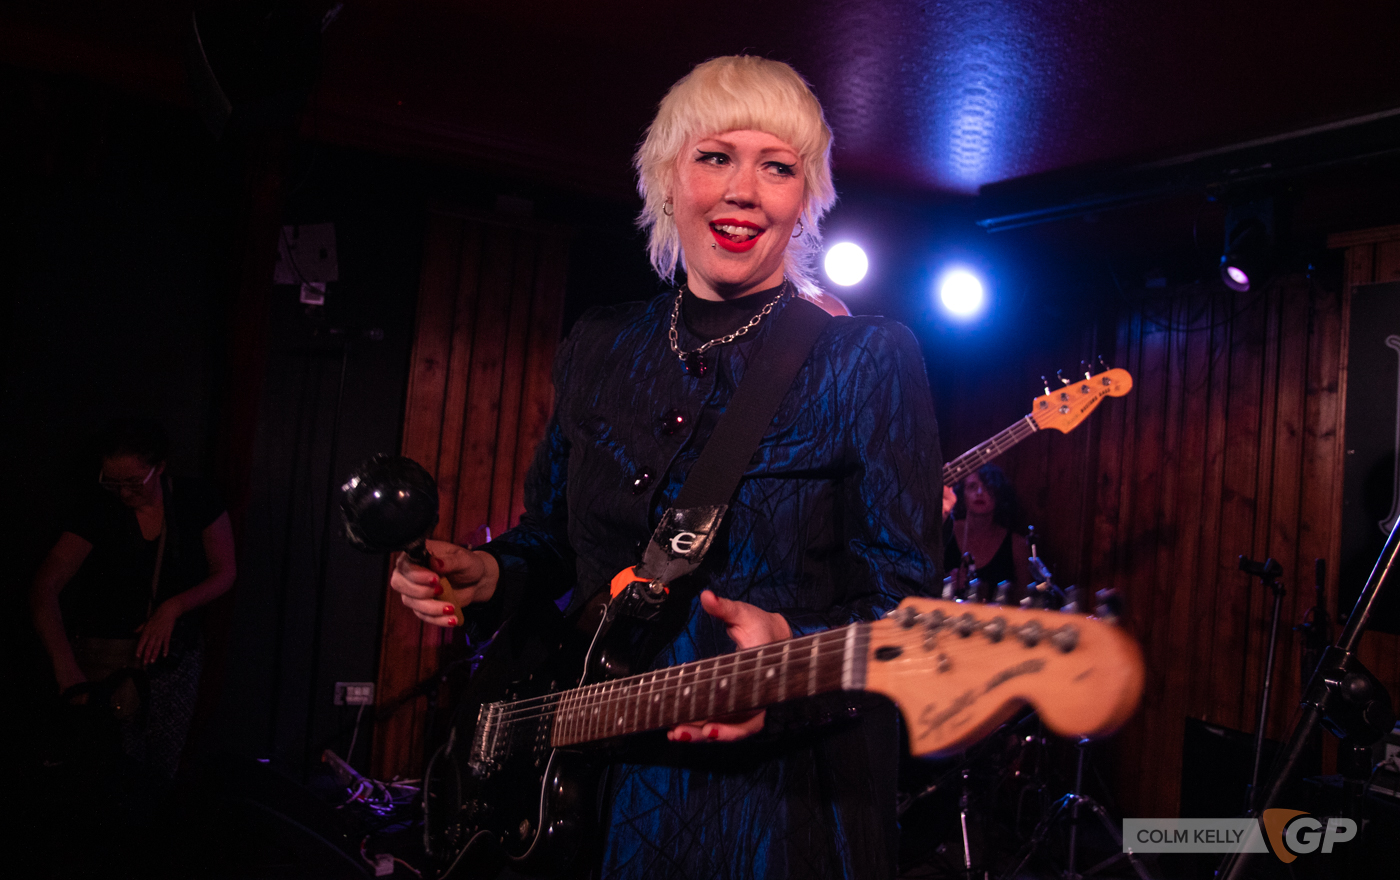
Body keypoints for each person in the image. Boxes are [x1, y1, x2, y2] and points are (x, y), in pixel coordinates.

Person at [391, 56, 943, 879]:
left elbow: (907, 608)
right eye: (715, 156)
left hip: (770, 810)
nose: (743, 191)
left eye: (778, 167)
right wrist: (488, 573)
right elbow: (553, 542)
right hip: (572, 792)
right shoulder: (601, 344)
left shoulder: (864, 359)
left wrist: (792, 649)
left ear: (805, 200)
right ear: (665, 178)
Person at [30, 417, 236, 778]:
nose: (123, 493)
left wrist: (172, 608)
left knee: (158, 772)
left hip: (174, 662)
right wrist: (66, 669)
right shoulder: (97, 509)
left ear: (160, 467)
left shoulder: (195, 500)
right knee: (105, 767)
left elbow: (225, 572)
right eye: (112, 482)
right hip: (105, 660)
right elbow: (44, 588)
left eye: (133, 482)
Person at [943, 463, 1033, 593]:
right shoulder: (945, 530)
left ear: (999, 494)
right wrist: (946, 582)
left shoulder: (1017, 545)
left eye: (988, 487)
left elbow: (1025, 598)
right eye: (972, 487)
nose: (979, 493)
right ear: (962, 493)